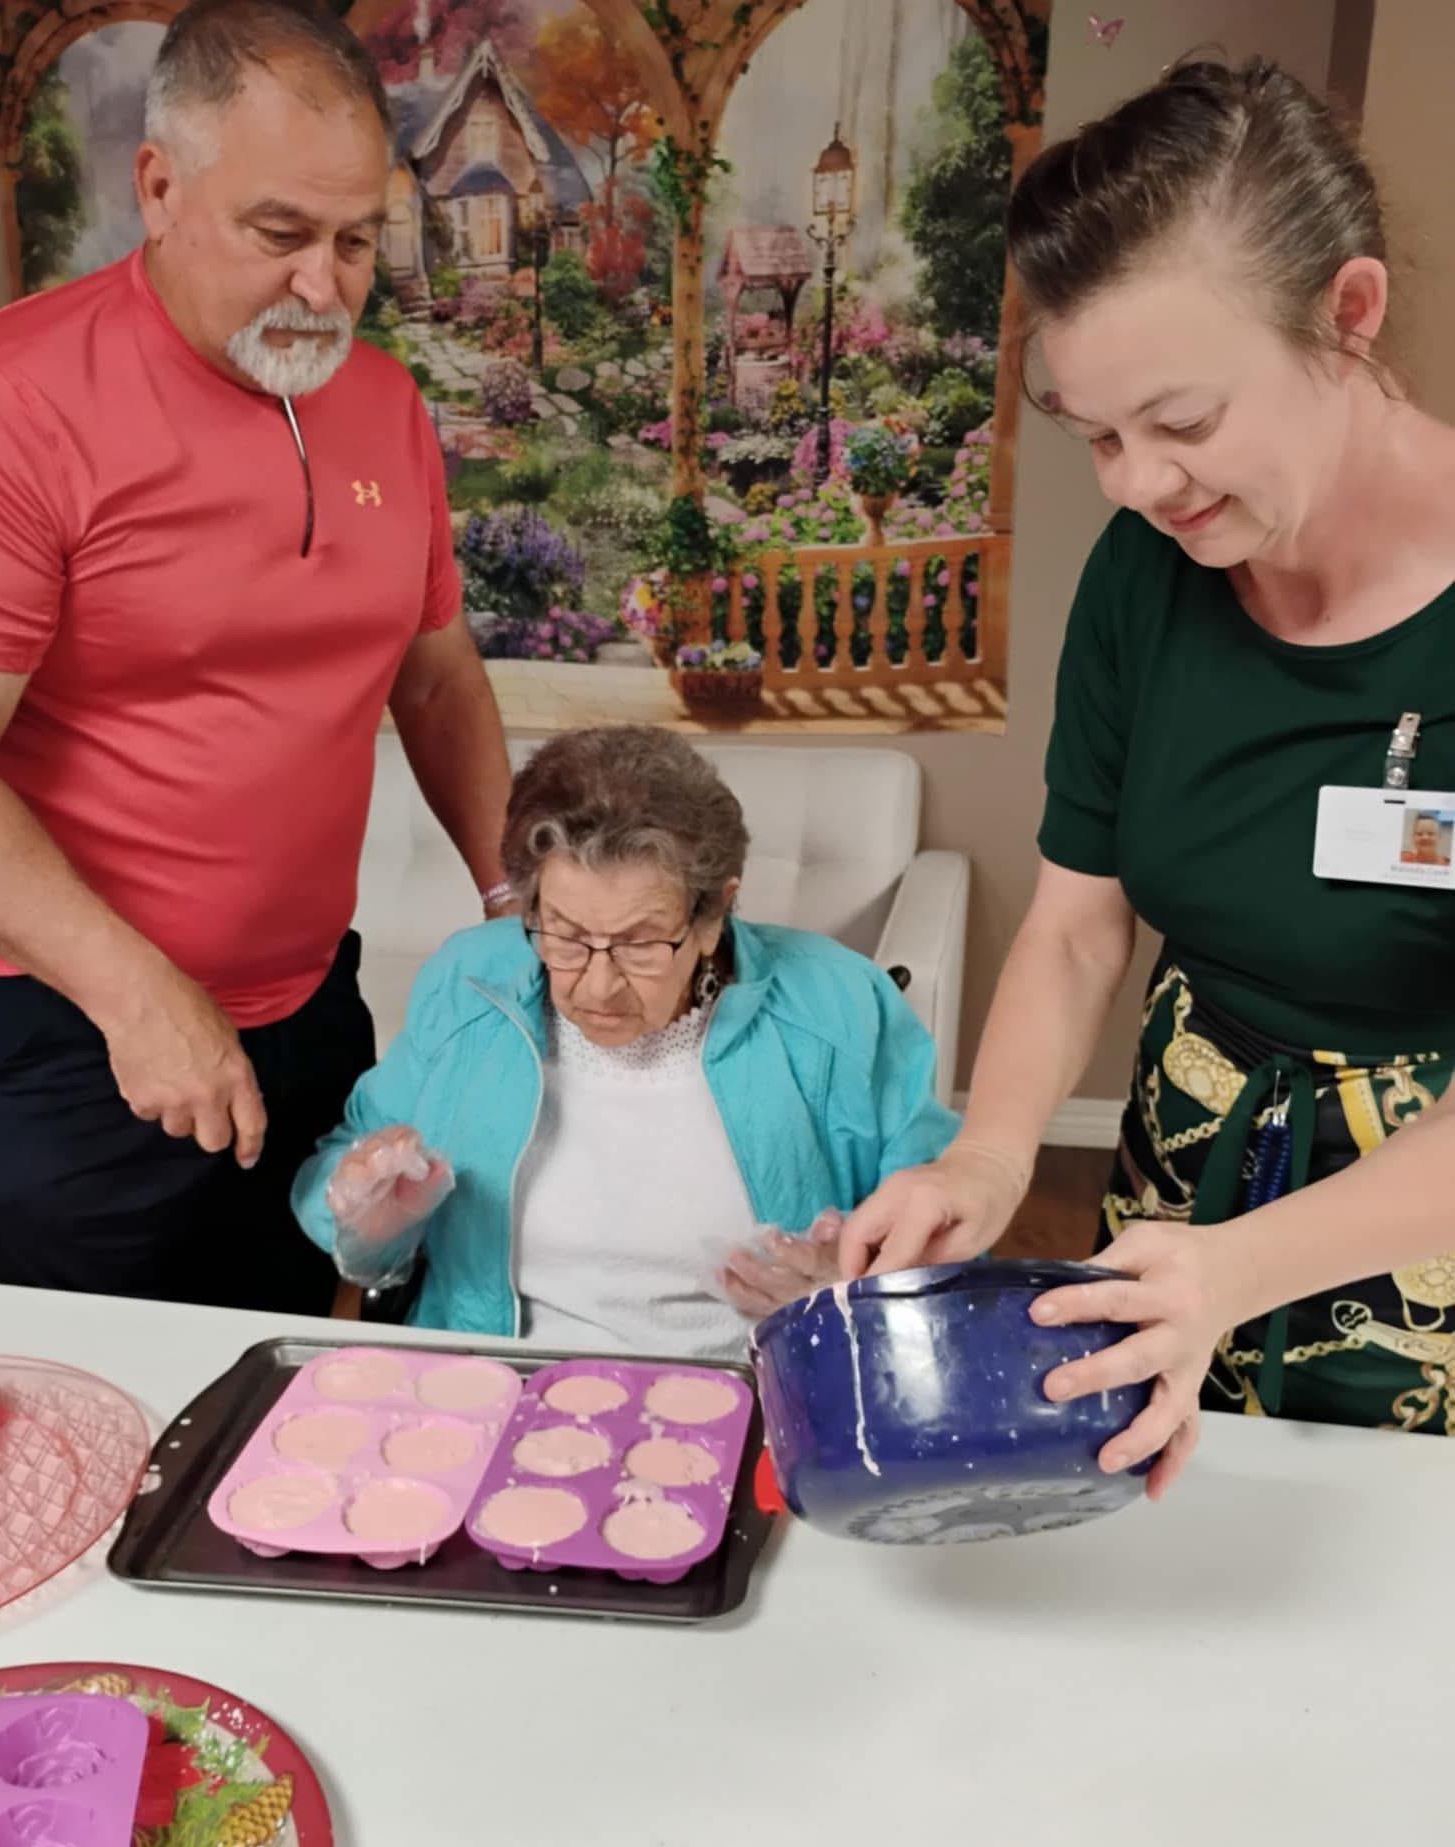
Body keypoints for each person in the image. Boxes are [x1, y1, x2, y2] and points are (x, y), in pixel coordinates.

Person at [842, 58, 1455, 1491]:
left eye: (1182, 424)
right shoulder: (1149, 570)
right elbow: (1078, 921)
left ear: (1348, 313)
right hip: (1182, 1176)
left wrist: (1241, 1267)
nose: (1135, 484)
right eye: (1098, 436)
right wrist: (990, 1159)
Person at [0, 0, 512, 1312]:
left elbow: (437, 677)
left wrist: (511, 895)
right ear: (159, 188)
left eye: (355, 241)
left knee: (293, 1348)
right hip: (75, 1014)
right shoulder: (2, 401)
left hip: (310, 990)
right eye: (280, 235)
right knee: (117, 1382)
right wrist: (134, 992)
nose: (324, 287)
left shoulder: (384, 402)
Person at [293, 726, 958, 1354]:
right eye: (564, 935)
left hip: (755, 1386)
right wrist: (371, 1223)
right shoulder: (468, 982)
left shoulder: (838, 1004)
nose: (598, 987)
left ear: (714, 914)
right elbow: (344, 1178)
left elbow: (947, 1230)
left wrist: (856, 1292)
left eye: (640, 944)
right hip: (497, 1384)